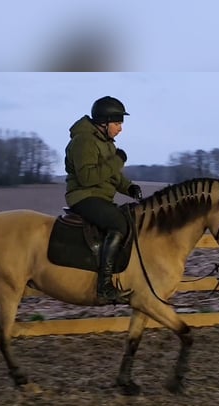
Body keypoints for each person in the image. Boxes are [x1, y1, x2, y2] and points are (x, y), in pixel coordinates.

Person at [64, 96, 143, 304]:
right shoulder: (84, 141)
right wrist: (117, 160)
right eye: (117, 124)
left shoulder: (105, 143)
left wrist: (130, 188)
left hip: (100, 197)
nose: (120, 129)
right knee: (118, 223)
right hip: (84, 197)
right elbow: (87, 178)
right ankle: (104, 286)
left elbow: (112, 176)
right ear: (104, 122)